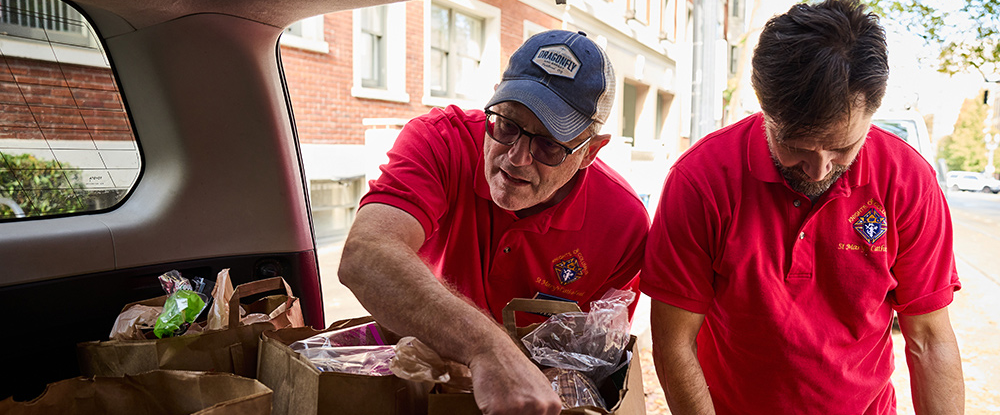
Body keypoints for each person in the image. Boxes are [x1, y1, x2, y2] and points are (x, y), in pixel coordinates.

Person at [641, 1, 964, 414]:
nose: (819, 169)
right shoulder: (701, 179)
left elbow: (930, 340)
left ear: (873, 112)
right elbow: (673, 344)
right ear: (765, 110)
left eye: (843, 147)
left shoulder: (908, 180)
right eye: (795, 147)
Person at [338, 29, 648, 415]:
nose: (516, 158)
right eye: (506, 125)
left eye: (549, 144)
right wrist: (487, 348)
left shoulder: (623, 224)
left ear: (589, 152)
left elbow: (591, 358)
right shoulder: (440, 142)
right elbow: (365, 254)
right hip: (422, 380)